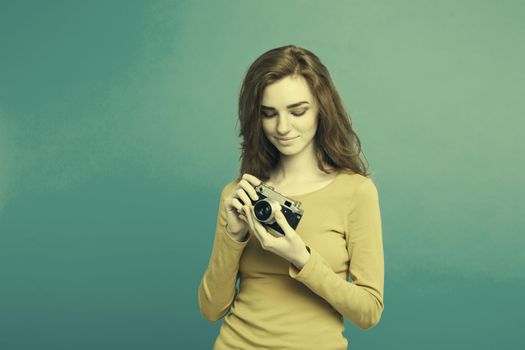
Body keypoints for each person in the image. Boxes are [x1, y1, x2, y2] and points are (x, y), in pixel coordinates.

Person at [198, 44, 384, 350]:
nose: (283, 128)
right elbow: (211, 309)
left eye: (298, 111)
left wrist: (302, 258)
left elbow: (368, 312)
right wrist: (234, 236)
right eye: (269, 114)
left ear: (322, 108)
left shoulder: (356, 192)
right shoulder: (240, 194)